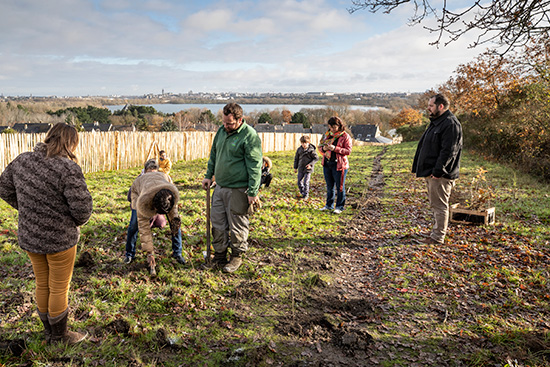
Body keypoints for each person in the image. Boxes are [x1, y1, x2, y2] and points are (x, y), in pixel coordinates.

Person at [0, 123, 93, 345]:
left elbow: (3, 188)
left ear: (49, 137)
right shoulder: (67, 168)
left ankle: (49, 333)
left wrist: (28, 209)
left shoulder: (22, 160)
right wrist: (65, 219)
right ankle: (60, 337)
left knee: (42, 284)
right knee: (59, 287)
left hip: (31, 237)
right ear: (71, 143)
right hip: (60, 240)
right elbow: (82, 211)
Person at [201, 103, 262, 273]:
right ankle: (219, 255)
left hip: (239, 189)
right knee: (218, 222)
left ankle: (236, 256)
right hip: (220, 187)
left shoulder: (249, 136)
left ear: (240, 120)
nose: (226, 126)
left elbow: (255, 166)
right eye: (224, 122)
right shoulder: (221, 131)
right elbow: (214, 154)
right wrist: (208, 175)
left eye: (230, 124)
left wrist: (252, 191)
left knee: (237, 224)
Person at [412, 93, 463, 244]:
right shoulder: (437, 122)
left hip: (441, 175)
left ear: (441, 106)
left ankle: (437, 237)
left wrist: (437, 171)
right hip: (432, 172)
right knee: (435, 205)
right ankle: (435, 233)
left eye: (431, 106)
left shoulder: (450, 124)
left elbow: (449, 151)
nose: (428, 108)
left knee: (440, 206)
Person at [124, 159, 184, 276]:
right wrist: (149, 253)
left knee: (175, 223)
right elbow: (144, 229)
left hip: (162, 194)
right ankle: (129, 254)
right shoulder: (142, 194)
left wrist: (174, 221)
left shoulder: (168, 186)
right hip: (139, 194)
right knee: (134, 224)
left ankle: (178, 253)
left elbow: (174, 215)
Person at [318, 117, 352, 214]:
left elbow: (348, 151)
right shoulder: (327, 135)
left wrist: (335, 149)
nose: (332, 129)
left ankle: (339, 207)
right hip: (327, 163)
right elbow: (320, 147)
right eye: (330, 127)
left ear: (339, 126)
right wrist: (324, 149)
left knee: (340, 187)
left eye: (334, 127)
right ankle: (329, 205)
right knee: (329, 186)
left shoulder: (345, 136)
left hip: (340, 165)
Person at [294, 135, 318, 199]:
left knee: (306, 182)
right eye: (302, 143)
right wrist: (295, 167)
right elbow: (296, 159)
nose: (304, 144)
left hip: (308, 169)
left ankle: (306, 194)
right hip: (301, 168)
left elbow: (316, 158)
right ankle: (302, 192)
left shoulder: (311, 150)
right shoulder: (299, 150)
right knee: (299, 181)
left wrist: (310, 164)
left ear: (308, 143)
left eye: (305, 143)